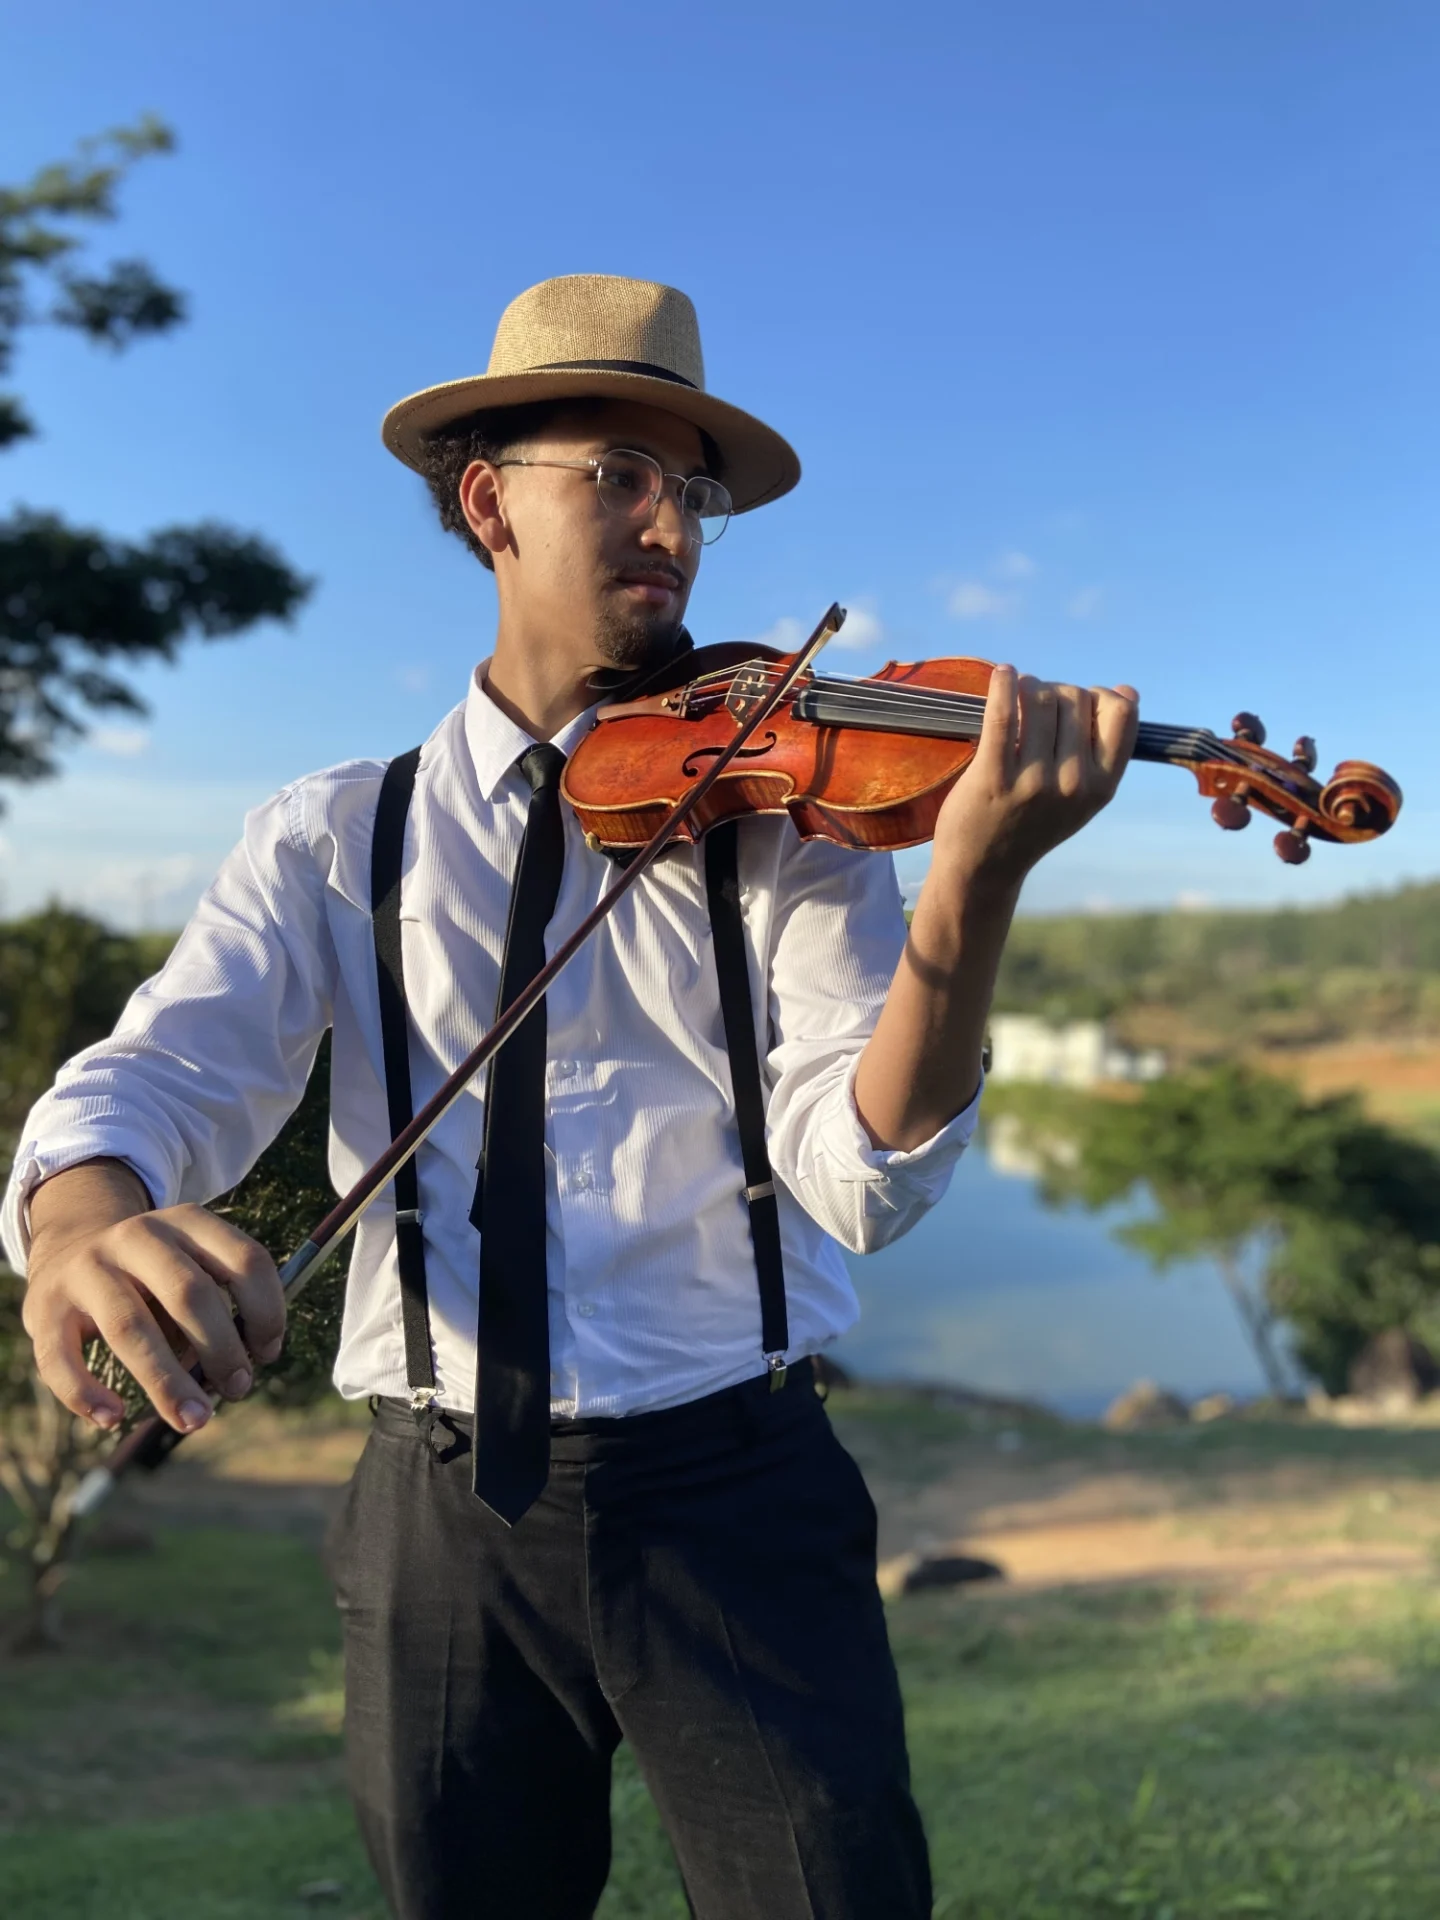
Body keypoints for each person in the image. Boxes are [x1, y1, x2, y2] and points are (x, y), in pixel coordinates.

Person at [5, 274, 1137, 1919]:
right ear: (490, 505)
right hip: (437, 1514)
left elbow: (861, 1180)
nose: (669, 524)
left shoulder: (795, 822)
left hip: (744, 1491)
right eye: (617, 474)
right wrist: (79, 1219)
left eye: (691, 492)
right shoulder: (335, 835)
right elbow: (164, 1071)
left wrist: (969, 896)